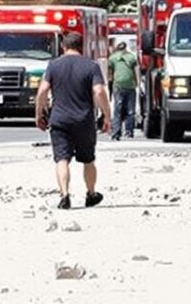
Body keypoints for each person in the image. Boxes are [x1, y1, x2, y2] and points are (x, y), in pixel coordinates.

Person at [34, 31, 112, 209]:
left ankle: (64, 194)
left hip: (59, 120)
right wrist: (106, 116)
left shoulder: (53, 65)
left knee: (62, 159)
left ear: (64, 46)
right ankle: (91, 194)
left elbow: (42, 92)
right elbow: (99, 92)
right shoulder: (91, 66)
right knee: (88, 159)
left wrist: (39, 114)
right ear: (82, 46)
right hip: (84, 120)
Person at [106, 40, 139, 141]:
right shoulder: (131, 57)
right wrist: (136, 82)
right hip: (130, 86)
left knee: (117, 110)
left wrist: (110, 84)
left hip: (118, 86)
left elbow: (110, 73)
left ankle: (116, 132)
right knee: (130, 110)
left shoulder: (112, 58)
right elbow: (135, 71)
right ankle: (129, 132)